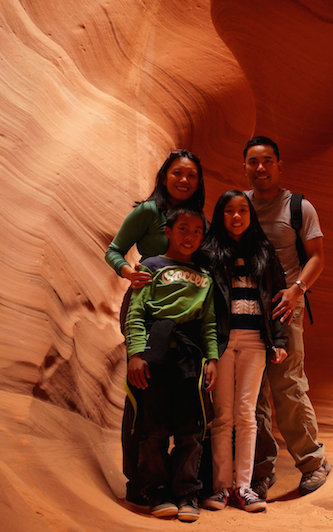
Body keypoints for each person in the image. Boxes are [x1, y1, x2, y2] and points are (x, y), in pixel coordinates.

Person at [105, 149, 206, 506]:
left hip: (181, 320)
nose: (184, 180)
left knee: (179, 397)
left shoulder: (194, 219)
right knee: (142, 396)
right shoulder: (148, 212)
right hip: (144, 310)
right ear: (164, 176)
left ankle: (184, 481)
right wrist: (128, 271)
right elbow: (114, 250)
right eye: (177, 173)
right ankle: (140, 481)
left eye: (191, 175)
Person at [242, 136, 330, 498]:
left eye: (266, 161)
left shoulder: (298, 207)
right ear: (244, 167)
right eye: (252, 162)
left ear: (280, 165)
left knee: (288, 386)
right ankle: (262, 470)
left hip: (284, 307)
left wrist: (297, 290)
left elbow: (317, 257)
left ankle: (312, 462)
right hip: (246, 308)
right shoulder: (238, 205)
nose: (260, 168)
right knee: (254, 393)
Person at [198, 190, 289, 512]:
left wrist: (279, 342)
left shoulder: (264, 252)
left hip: (254, 343)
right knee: (222, 416)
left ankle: (244, 488)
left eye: (242, 211)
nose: (236, 217)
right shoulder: (209, 253)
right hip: (221, 342)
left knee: (246, 415)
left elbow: (278, 300)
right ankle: (221, 488)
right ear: (221, 216)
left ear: (250, 215)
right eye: (229, 211)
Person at [126, 206, 218, 522]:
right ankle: (156, 490)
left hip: (189, 357)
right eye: (183, 229)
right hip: (154, 351)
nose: (189, 236)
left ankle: (187, 492)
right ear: (168, 231)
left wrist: (212, 359)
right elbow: (136, 312)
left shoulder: (205, 277)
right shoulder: (150, 267)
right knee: (152, 427)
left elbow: (208, 322)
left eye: (196, 231)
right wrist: (135, 354)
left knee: (190, 428)